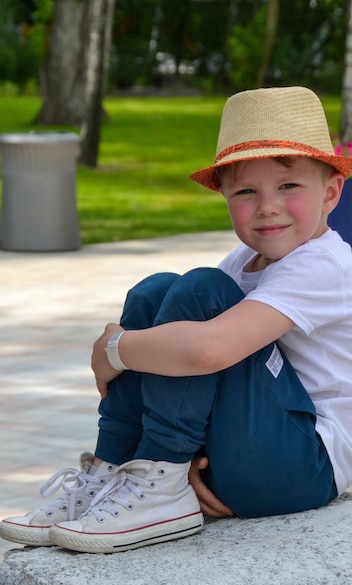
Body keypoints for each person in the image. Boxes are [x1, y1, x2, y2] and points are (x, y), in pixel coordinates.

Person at [1, 86, 352, 555]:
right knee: (158, 291)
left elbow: (210, 351)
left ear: (331, 193)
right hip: (254, 447)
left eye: (289, 186)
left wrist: (114, 348)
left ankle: (160, 485)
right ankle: (123, 470)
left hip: (305, 465)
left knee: (201, 291)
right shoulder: (245, 260)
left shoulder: (324, 264)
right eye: (246, 190)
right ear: (225, 195)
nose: (267, 206)